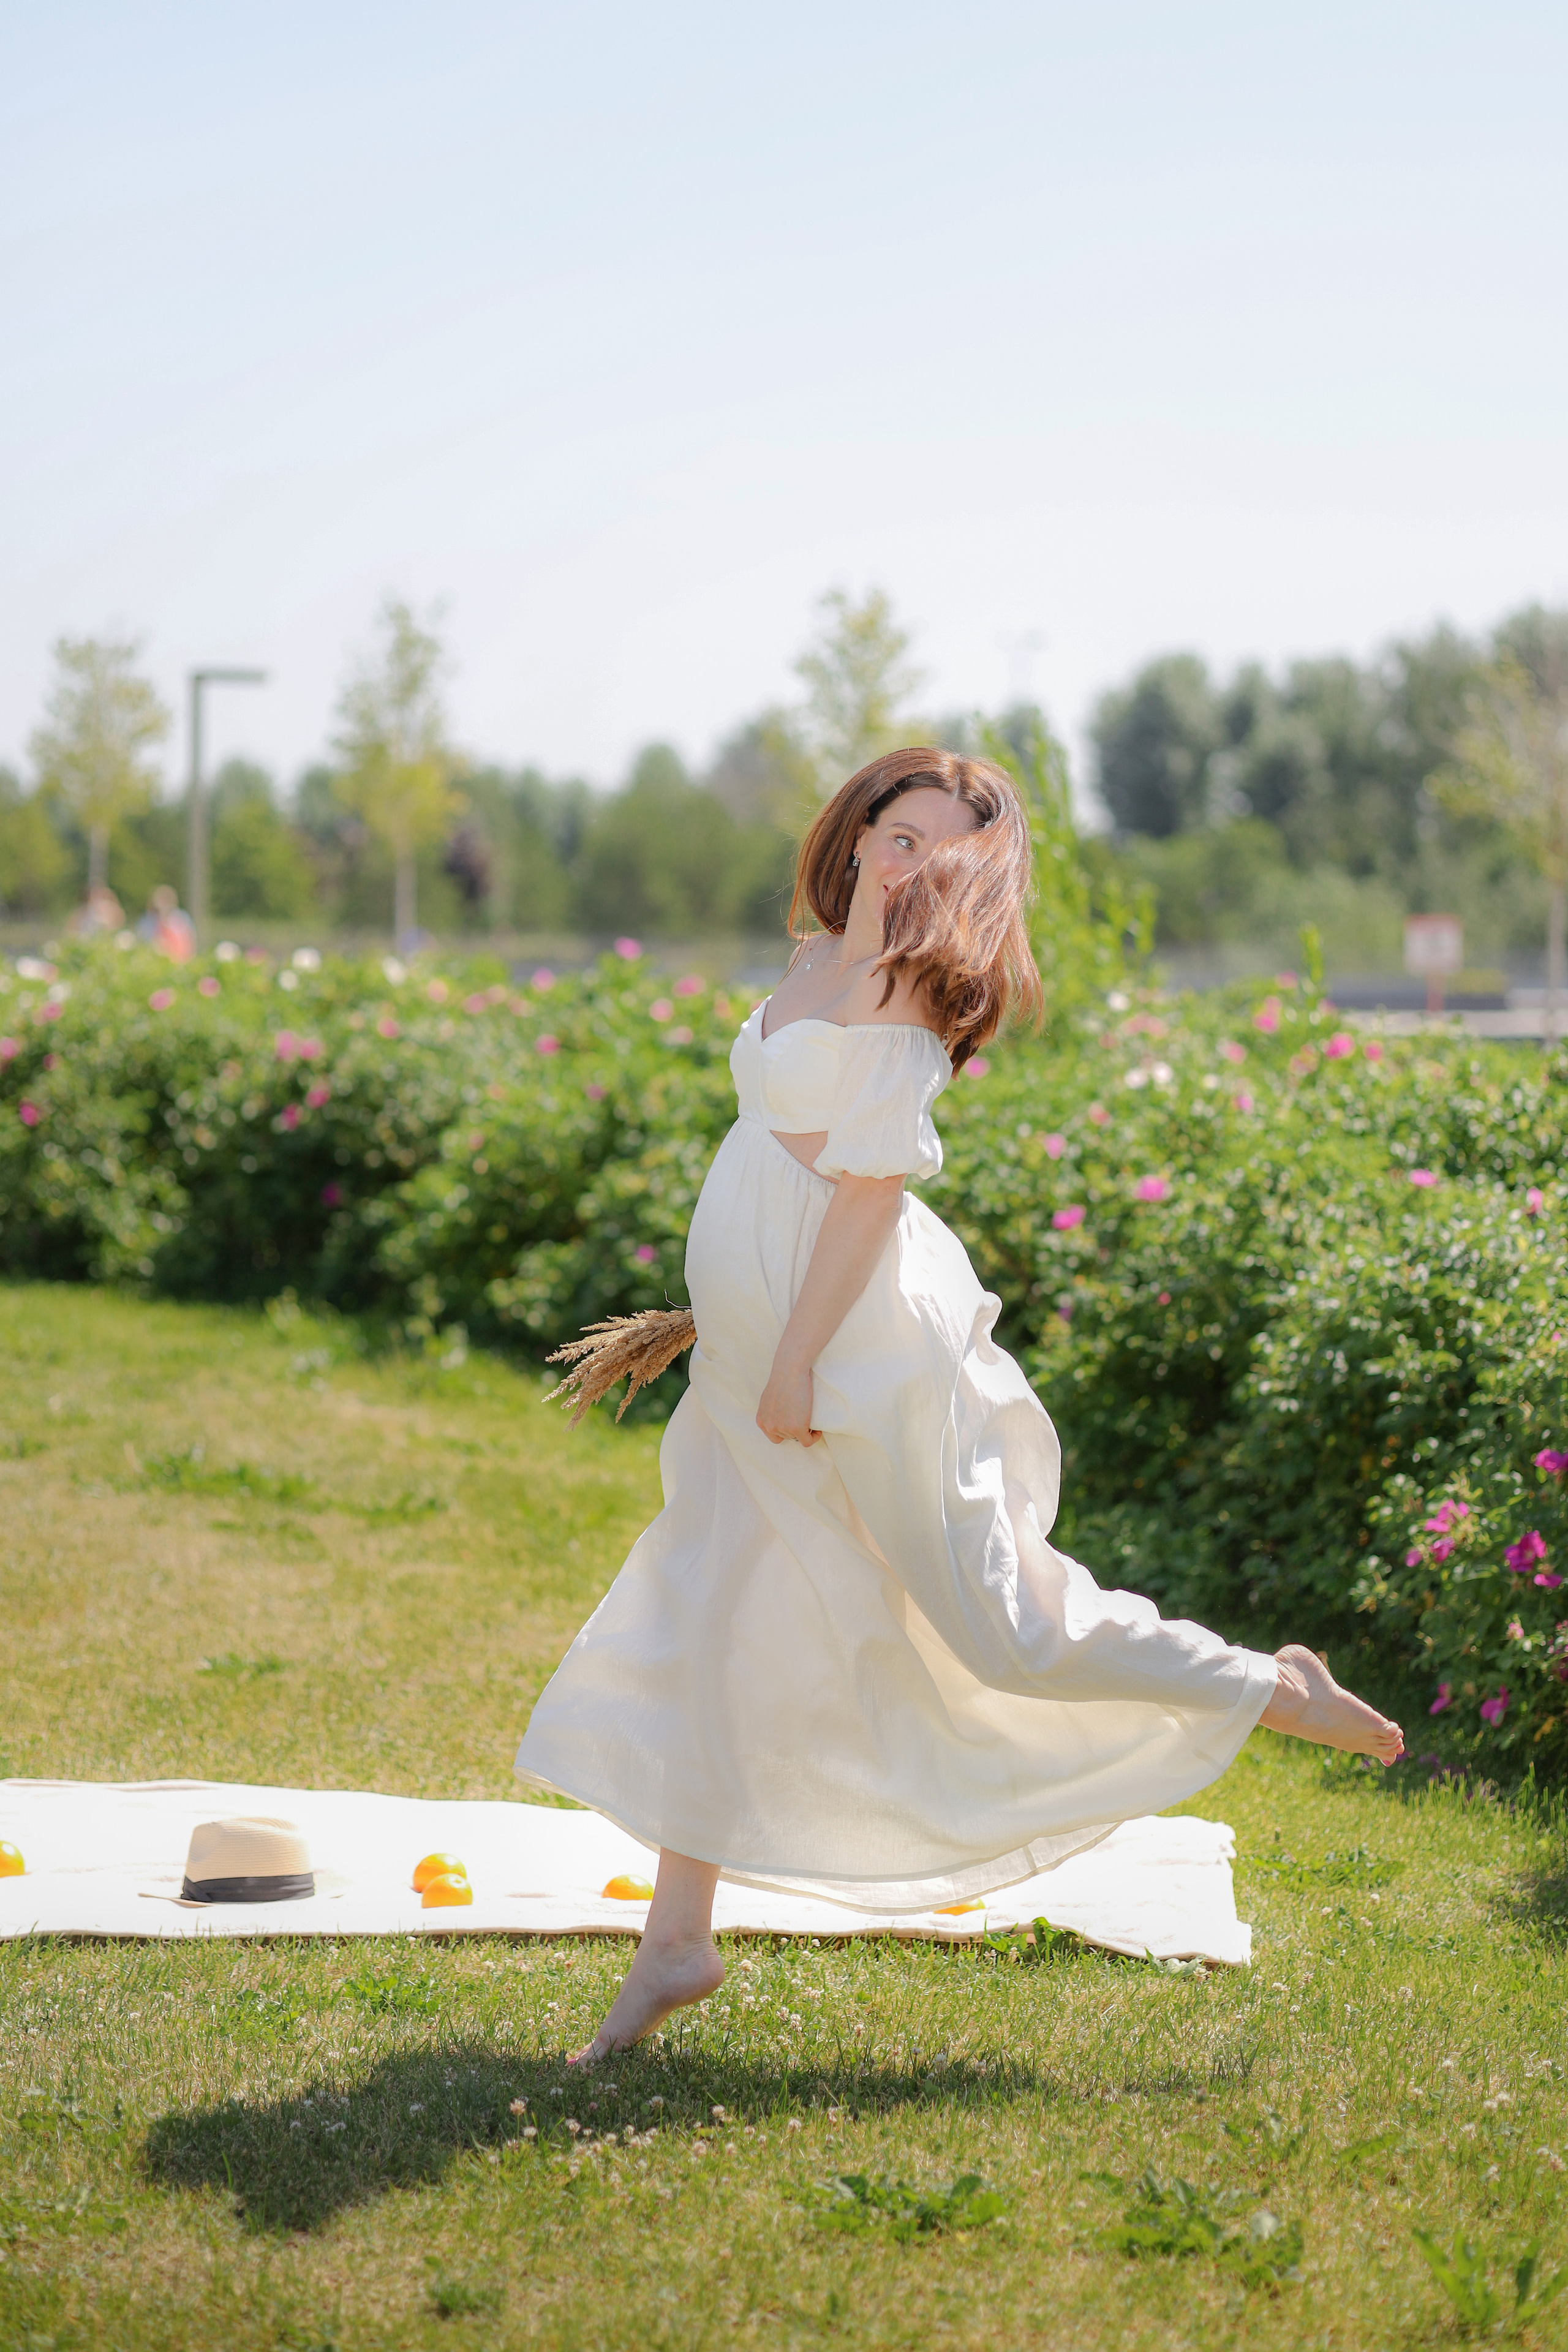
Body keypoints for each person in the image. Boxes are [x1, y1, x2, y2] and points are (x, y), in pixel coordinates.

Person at [514, 748, 1404, 2062]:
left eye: (939, 842)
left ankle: (1264, 1686)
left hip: (855, 1352)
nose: (908, 854)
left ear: (970, 868)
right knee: (709, 1615)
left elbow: (865, 1190)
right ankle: (676, 1943)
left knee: (1002, 1629)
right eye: (894, 826)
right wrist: (737, 1318)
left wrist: (796, 1355)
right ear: (857, 827)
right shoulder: (824, 951)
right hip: (763, 1345)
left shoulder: (908, 992)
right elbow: (786, 1147)